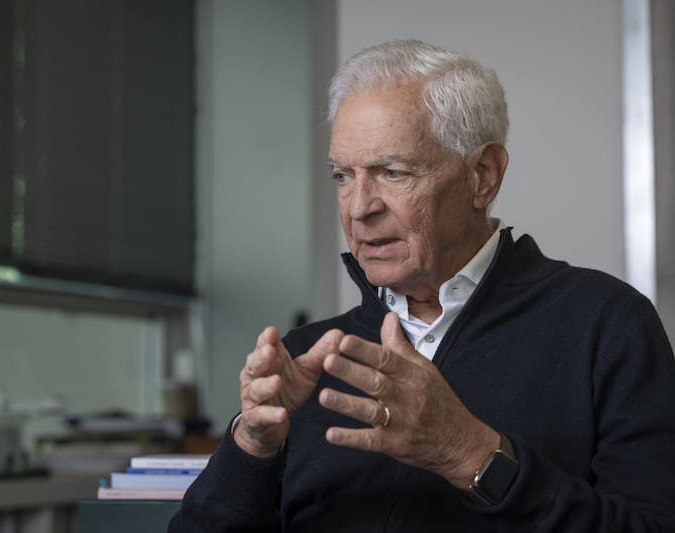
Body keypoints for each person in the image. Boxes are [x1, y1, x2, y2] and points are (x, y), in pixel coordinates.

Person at [168, 39, 675, 532]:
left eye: (392, 172)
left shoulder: (606, 326)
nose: (359, 208)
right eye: (343, 176)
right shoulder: (307, 358)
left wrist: (469, 453)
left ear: (483, 176)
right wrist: (253, 446)